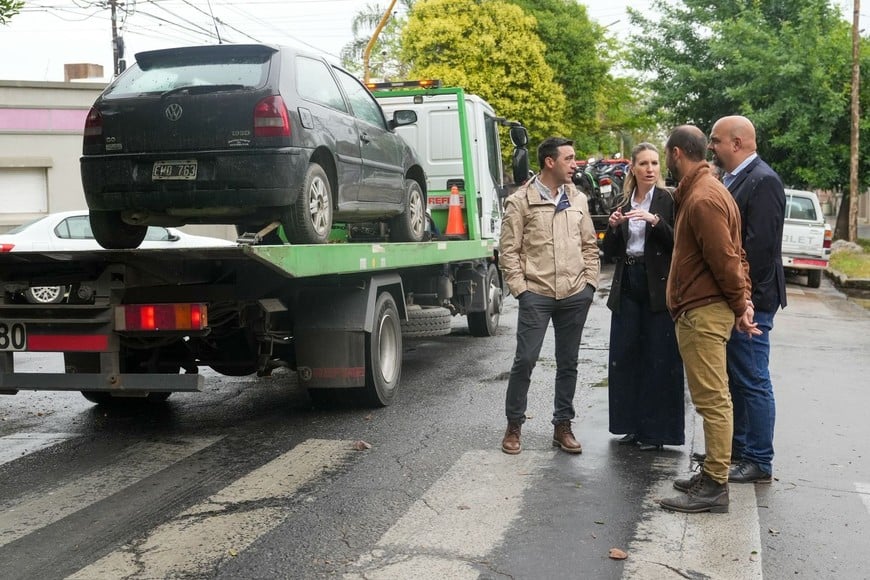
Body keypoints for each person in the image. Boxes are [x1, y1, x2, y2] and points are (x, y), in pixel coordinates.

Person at [658, 125, 760, 514]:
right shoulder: (709, 191)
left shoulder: (702, 198)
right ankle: (712, 475)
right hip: (705, 308)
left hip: (702, 312)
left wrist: (740, 304)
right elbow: (736, 254)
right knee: (713, 399)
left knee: (713, 401)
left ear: (677, 153)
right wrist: (743, 301)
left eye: (667, 154)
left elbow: (727, 260)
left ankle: (715, 485)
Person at [499, 136, 600, 455]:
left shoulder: (578, 198)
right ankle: (514, 425)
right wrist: (521, 290)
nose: (575, 164)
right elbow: (508, 250)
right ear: (550, 162)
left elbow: (589, 245)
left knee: (568, 362)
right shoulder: (521, 201)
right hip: (537, 294)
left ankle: (562, 426)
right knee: (525, 360)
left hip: (574, 293)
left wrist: (589, 285)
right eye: (569, 159)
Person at [708, 115, 786, 484]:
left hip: (753, 301)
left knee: (753, 378)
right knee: (737, 378)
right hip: (739, 299)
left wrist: (745, 302)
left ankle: (758, 459)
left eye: (716, 140)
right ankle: (739, 450)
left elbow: (758, 249)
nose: (712, 146)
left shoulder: (763, 181)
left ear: (736, 143)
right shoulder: (735, 179)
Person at [602, 143, 684, 452]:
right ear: (633, 168)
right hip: (627, 282)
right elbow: (609, 252)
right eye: (644, 164)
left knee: (659, 358)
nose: (650, 168)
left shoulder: (669, 200)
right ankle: (630, 426)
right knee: (625, 357)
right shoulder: (623, 200)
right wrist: (611, 229)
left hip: (658, 286)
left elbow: (682, 242)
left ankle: (657, 432)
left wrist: (656, 223)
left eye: (654, 163)